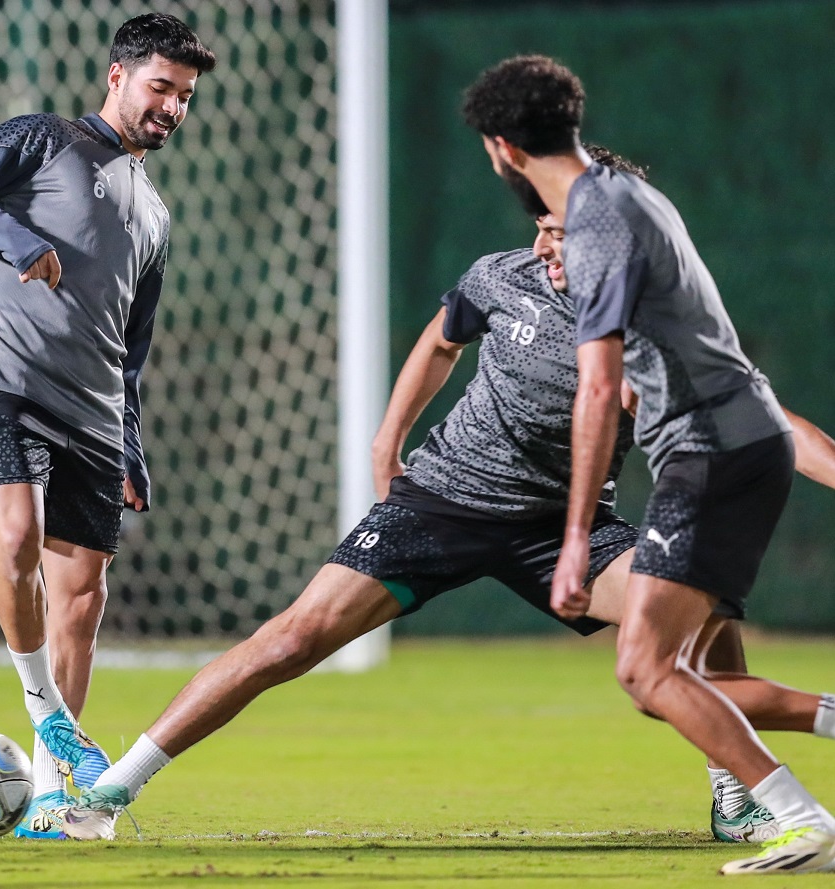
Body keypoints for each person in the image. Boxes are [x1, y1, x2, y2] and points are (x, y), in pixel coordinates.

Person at [58, 145, 835, 843]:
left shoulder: (657, 323)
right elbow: (439, 340)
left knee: (691, 595)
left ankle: (734, 790)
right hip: (438, 502)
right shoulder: (498, 277)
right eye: (541, 225)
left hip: (564, 525)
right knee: (291, 640)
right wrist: (387, 438)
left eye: (561, 231)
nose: (543, 244)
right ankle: (110, 791)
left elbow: (763, 419)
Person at [462, 54, 835, 875]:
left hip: (708, 455)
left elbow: (597, 387)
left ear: (501, 150)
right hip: (734, 448)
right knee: (668, 668)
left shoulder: (592, 222)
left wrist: (572, 538)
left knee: (644, 667)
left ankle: (800, 820)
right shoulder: (632, 196)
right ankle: (790, 811)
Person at [0, 14, 216, 839]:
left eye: (184, 97)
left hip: (95, 419)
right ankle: (47, 714)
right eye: (161, 87)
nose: (172, 108)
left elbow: (131, 349)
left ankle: (56, 795)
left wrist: (132, 447)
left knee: (80, 600)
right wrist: (11, 239)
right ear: (116, 76)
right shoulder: (45, 141)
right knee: (15, 540)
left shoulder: (154, 212)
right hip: (6, 386)